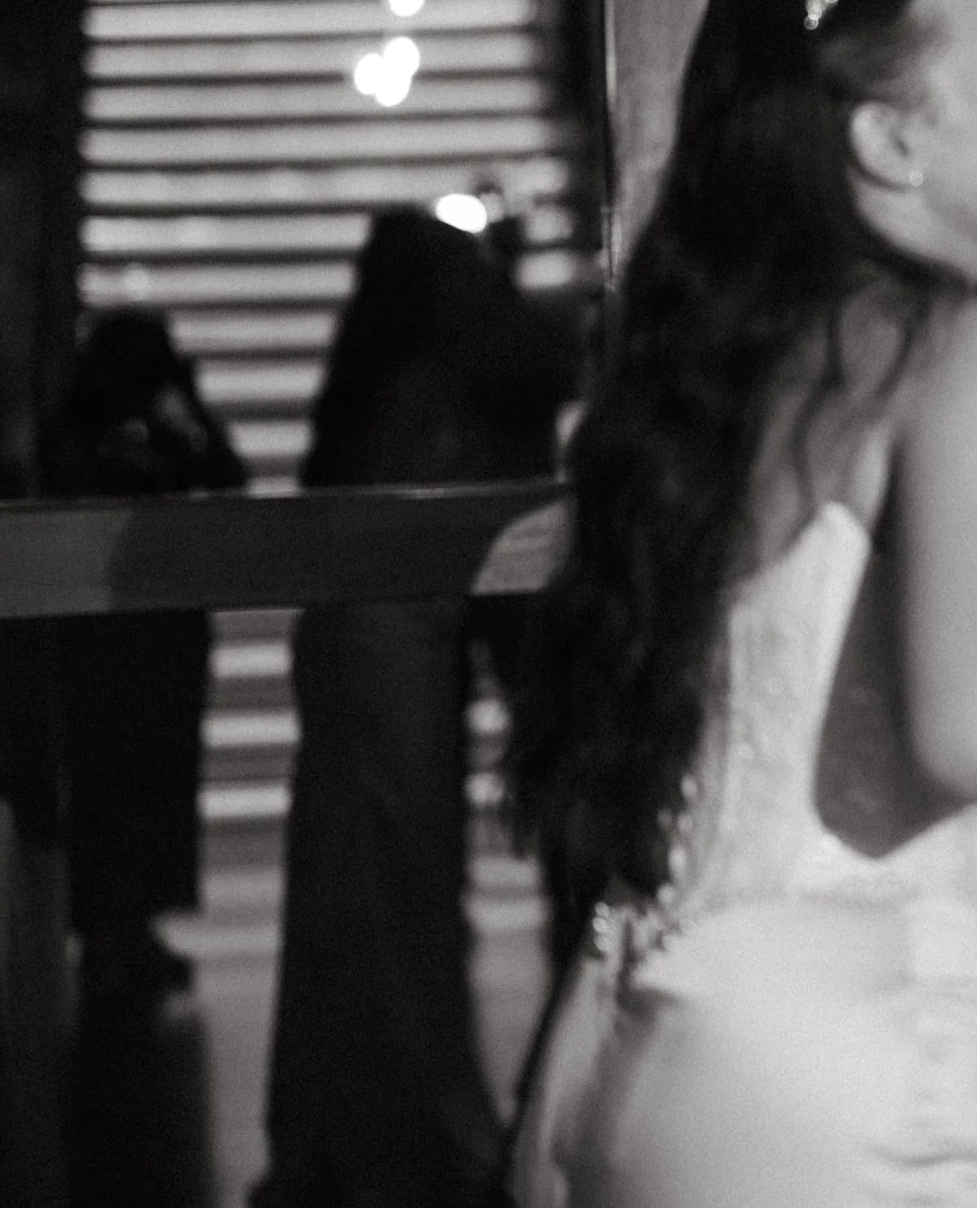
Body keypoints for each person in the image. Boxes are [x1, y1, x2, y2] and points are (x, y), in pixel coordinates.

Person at [504, 0, 977, 1207]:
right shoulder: (957, 350)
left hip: (646, 1027)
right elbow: (973, 733)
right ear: (887, 141)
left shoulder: (722, 371)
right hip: (842, 1047)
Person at [256, 211, 579, 1208]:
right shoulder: (445, 376)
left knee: (360, 892)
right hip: (390, 661)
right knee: (391, 890)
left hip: (376, 657)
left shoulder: (395, 376)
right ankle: (398, 1138)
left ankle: (343, 1137)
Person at [43, 310, 245, 1011]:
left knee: (152, 782)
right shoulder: (81, 434)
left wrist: (183, 413)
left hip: (156, 635)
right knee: (114, 783)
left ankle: (132, 929)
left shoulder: (160, 424)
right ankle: (111, 935)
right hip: (111, 638)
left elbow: (225, 473)